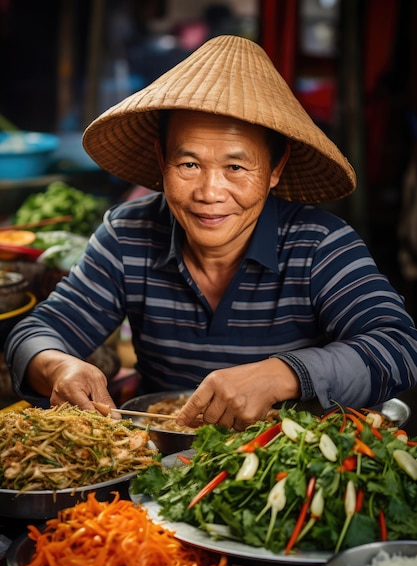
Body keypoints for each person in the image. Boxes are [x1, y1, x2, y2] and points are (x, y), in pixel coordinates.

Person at [5, 35, 417, 431]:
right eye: (188, 165)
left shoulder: (321, 245)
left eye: (236, 168)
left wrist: (280, 375)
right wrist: (59, 365)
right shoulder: (128, 234)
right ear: (161, 160)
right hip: (159, 464)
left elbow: (398, 347)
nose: (209, 193)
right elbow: (35, 333)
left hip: (283, 474)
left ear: (275, 169)